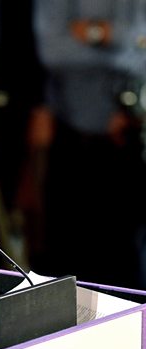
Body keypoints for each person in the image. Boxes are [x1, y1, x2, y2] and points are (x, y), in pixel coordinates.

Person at [17, 0, 146, 288]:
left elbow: (143, 51)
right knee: (66, 268)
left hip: (127, 140)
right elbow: (52, 51)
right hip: (69, 139)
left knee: (124, 273)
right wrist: (115, 40)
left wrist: (92, 33)